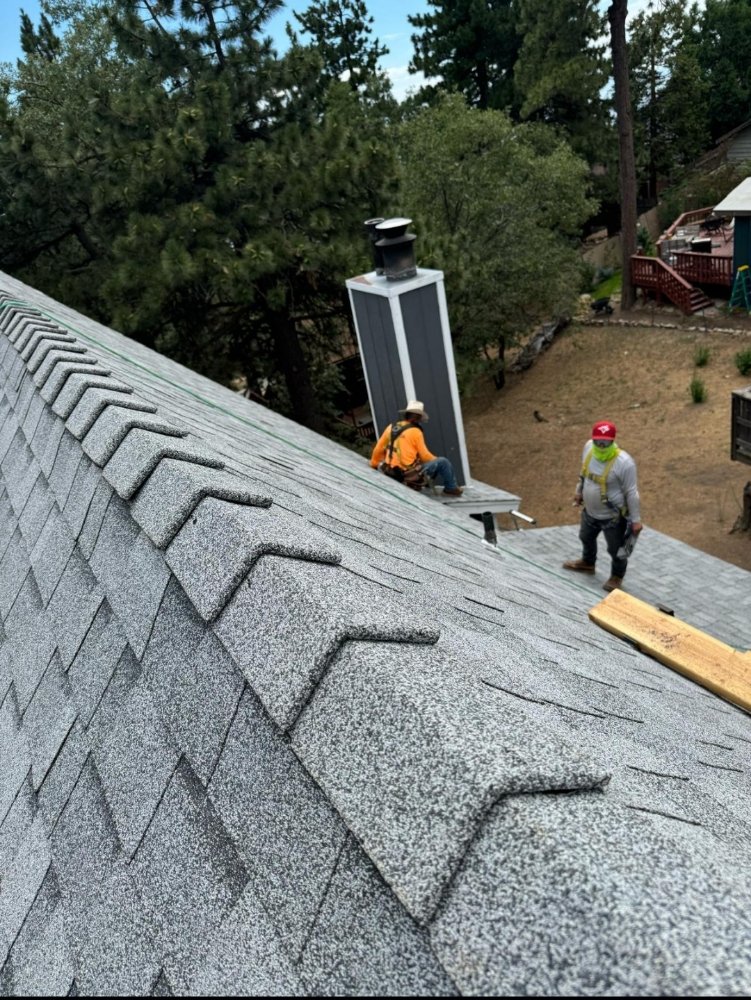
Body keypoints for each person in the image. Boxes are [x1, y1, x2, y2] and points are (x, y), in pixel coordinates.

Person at [563, 420, 643, 592]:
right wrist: (579, 492)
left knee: (616, 550)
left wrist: (636, 520)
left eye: (605, 442)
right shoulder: (588, 449)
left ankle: (617, 576)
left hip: (612, 517)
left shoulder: (624, 462)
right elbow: (583, 474)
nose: (601, 444)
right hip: (590, 512)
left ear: (612, 441)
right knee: (585, 537)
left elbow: (631, 492)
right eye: (598, 440)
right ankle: (588, 562)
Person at [370, 400, 463, 496]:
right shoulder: (416, 432)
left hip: (389, 471)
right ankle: (451, 488)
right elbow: (425, 456)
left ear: (406, 414)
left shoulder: (391, 427)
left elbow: (379, 448)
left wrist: (374, 464)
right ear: (419, 418)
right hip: (407, 475)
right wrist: (436, 461)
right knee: (444, 462)